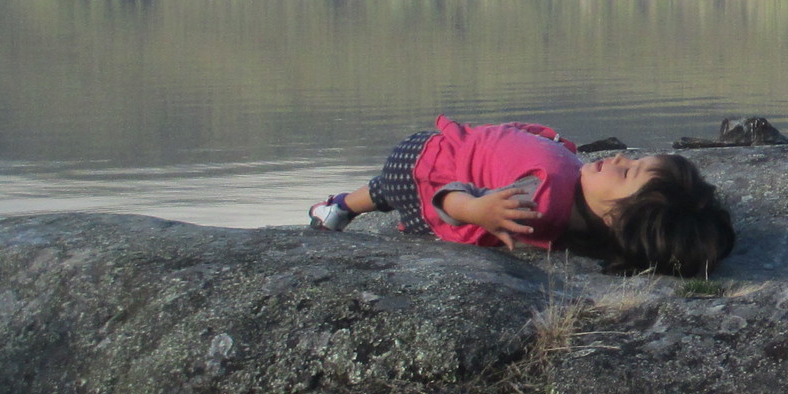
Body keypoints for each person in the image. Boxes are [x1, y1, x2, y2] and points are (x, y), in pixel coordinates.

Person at [307, 115, 735, 276]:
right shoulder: (575, 193)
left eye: (626, 172)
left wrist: (477, 208)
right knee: (381, 192)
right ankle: (339, 205)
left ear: (615, 220)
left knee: (386, 191)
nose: (619, 156)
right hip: (450, 154)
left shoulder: (542, 199)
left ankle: (338, 208)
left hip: (426, 165)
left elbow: (450, 197)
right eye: (630, 159)